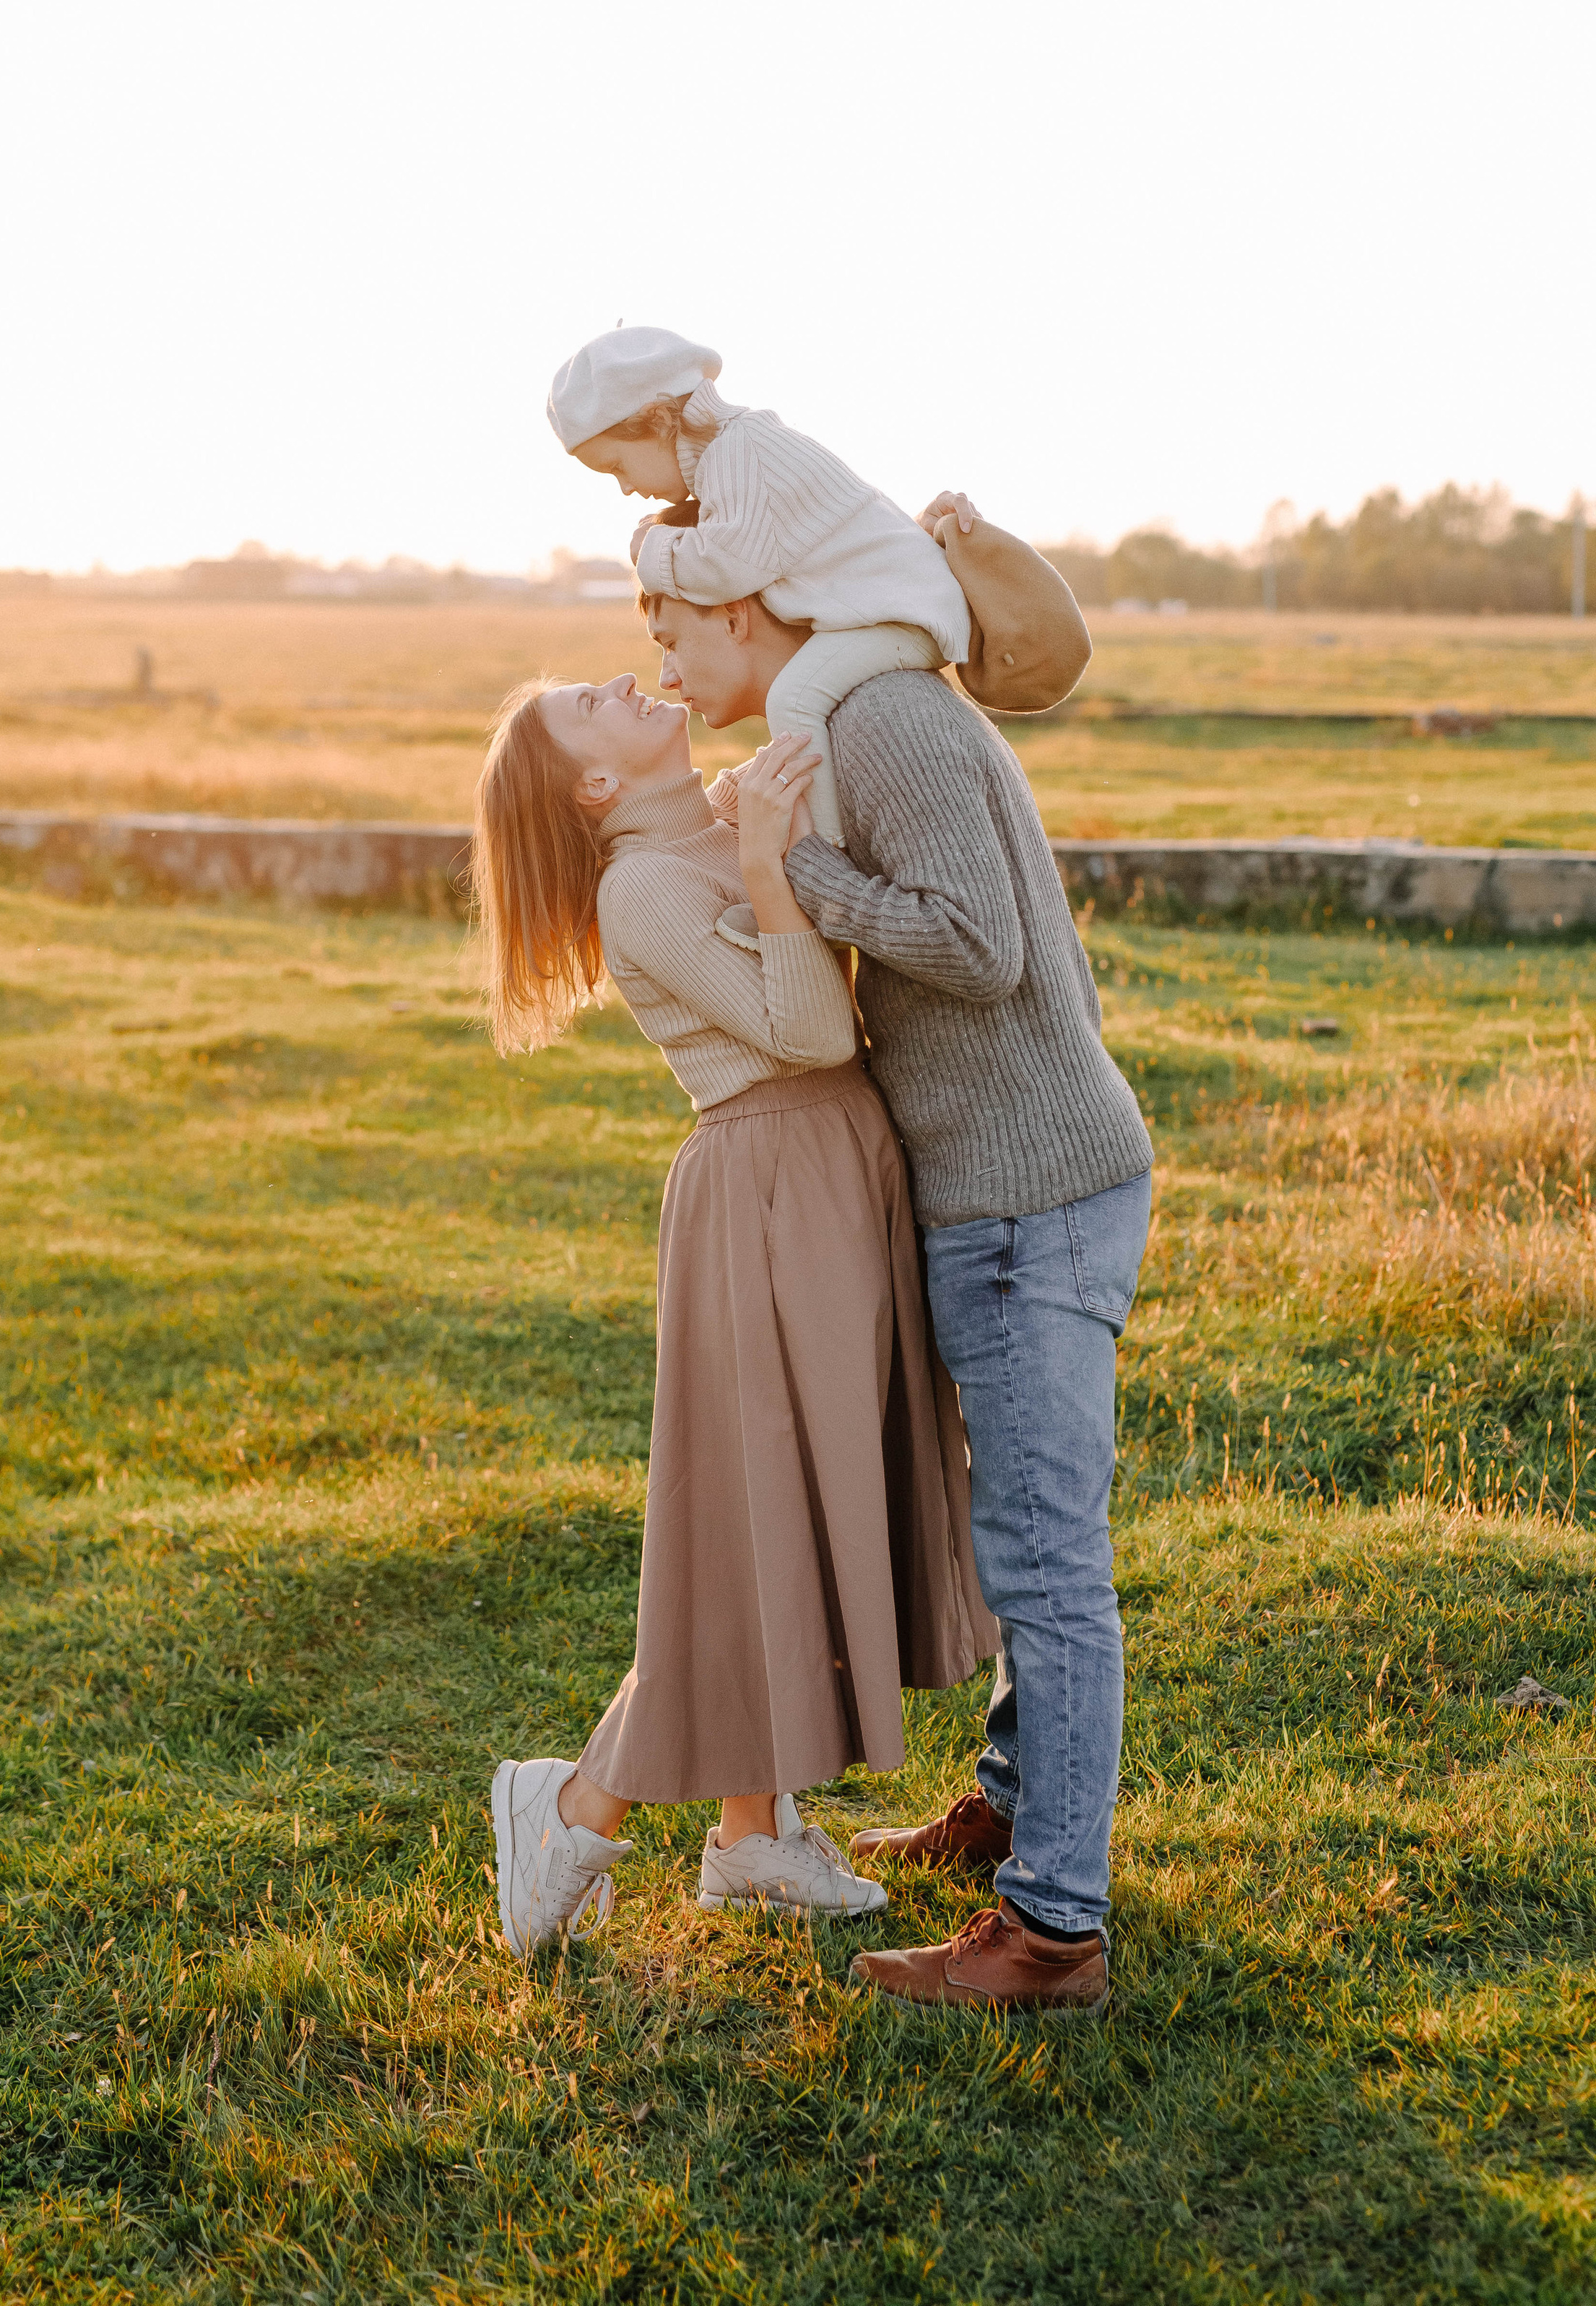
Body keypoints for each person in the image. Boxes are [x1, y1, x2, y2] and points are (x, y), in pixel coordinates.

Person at [646, 558, 1152, 2015]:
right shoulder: (844, 717)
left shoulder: (878, 719)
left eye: (670, 621)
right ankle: (1009, 1809)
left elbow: (978, 949)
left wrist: (783, 864)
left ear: (744, 607)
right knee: (1021, 1541)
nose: (663, 656)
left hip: (1028, 1193)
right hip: (997, 1189)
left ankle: (1049, 1934)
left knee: (1048, 1565)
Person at [472, 668, 993, 1950]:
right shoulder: (642, 887)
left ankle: (753, 1834)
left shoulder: (714, 813)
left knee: (792, 1519)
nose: (618, 678)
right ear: (595, 785)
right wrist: (768, 861)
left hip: (835, 1170)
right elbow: (810, 1030)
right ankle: (576, 1808)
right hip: (766, 1184)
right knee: (745, 1533)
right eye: (588, 705)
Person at [547, 324, 971, 846]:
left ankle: (823, 848)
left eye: (618, 465)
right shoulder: (737, 453)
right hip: (893, 609)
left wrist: (648, 550)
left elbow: (726, 567)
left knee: (792, 702)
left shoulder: (740, 450)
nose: (627, 488)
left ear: (658, 422)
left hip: (906, 615)